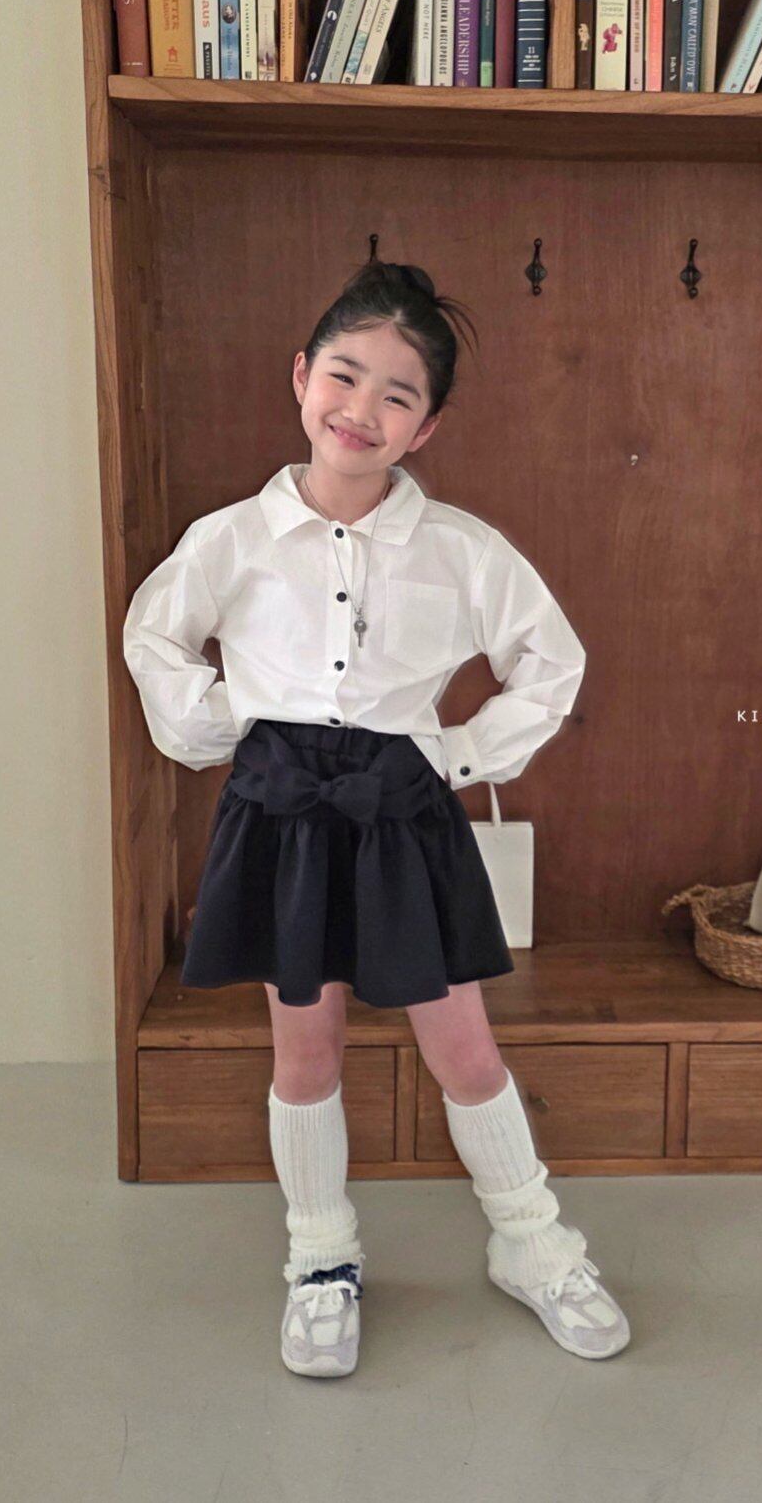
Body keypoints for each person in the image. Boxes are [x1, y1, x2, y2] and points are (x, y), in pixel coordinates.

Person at [121, 257, 630, 1377]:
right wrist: (223, 724)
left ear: (425, 426)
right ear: (302, 375)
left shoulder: (462, 550)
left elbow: (551, 662)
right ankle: (320, 1257)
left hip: (402, 816)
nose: (361, 409)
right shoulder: (231, 538)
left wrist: (454, 753)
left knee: (464, 1046)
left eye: (397, 395)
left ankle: (533, 1242)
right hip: (281, 814)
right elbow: (153, 634)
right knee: (305, 1052)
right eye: (344, 376)